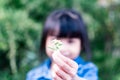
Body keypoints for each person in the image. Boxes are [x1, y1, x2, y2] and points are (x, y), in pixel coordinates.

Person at [26, 9, 98, 80]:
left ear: (82, 44)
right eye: (55, 40)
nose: (62, 48)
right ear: (45, 41)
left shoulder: (88, 70)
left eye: (70, 41)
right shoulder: (34, 75)